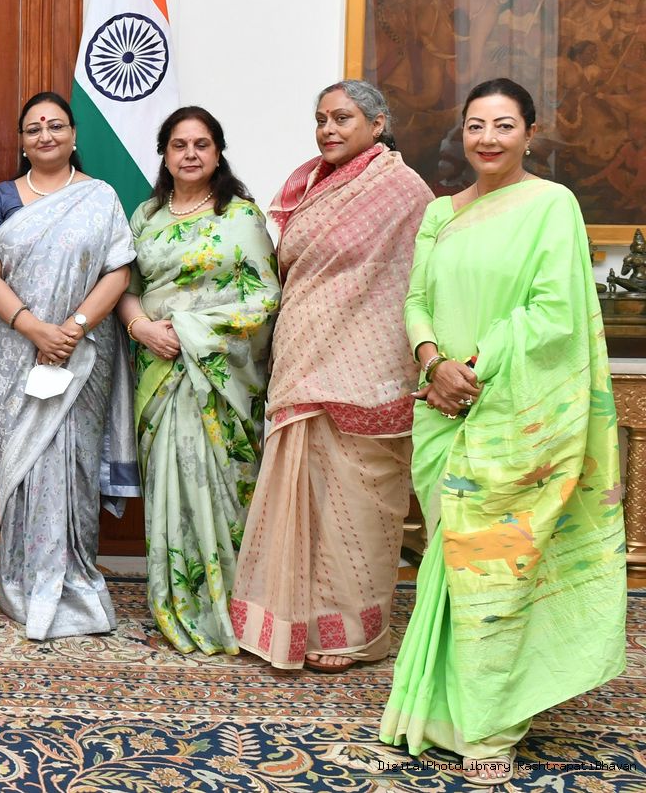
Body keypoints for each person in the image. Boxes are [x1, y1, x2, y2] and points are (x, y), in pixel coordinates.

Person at [379, 78, 625, 785]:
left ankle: (490, 724)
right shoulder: (439, 213)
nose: (488, 138)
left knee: (496, 569)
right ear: (461, 133)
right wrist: (434, 363)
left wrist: (474, 369)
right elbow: (416, 300)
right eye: (476, 125)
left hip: (511, 414)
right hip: (441, 411)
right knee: (449, 564)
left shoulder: (552, 205)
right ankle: (439, 713)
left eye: (504, 125)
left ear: (530, 133)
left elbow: (554, 313)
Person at [229, 81, 432, 672]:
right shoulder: (309, 184)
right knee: (305, 495)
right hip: (303, 354)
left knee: (359, 498)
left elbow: (419, 278)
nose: (328, 129)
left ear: (378, 122)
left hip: (368, 365)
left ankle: (351, 631)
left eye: (342, 118)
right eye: (321, 119)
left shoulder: (402, 190)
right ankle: (293, 624)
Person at [115, 106, 279, 656]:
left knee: (223, 487)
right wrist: (141, 328)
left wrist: (190, 330)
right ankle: (178, 599)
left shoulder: (242, 217)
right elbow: (126, 287)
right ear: (164, 154)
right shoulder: (146, 216)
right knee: (171, 481)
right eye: (179, 145)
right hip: (159, 369)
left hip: (218, 374)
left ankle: (232, 605)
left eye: (201, 144)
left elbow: (265, 298)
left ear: (218, 152)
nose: (190, 154)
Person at [0, 91, 137, 640]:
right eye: (33, 128)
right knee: (24, 465)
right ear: (22, 141)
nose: (45, 135)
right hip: (16, 351)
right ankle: (24, 579)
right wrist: (34, 329)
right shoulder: (3, 197)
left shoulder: (101, 196)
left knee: (75, 464)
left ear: (73, 135)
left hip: (82, 351)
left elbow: (119, 271)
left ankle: (75, 577)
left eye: (55, 125)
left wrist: (73, 328)